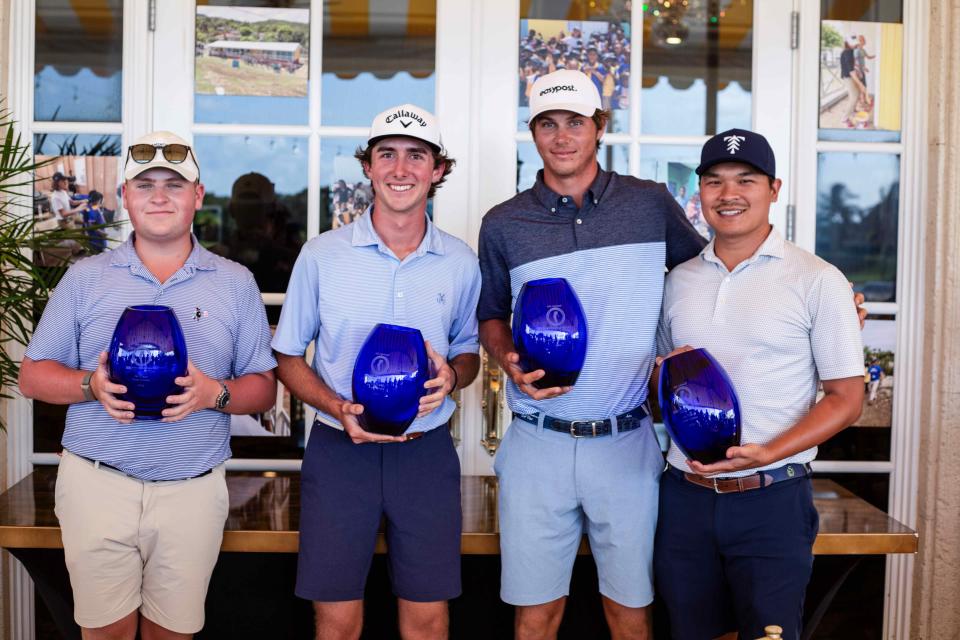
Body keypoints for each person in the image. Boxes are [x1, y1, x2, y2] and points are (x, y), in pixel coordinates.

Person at [19, 130, 278, 640]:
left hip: (191, 490)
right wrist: (89, 386)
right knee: (105, 635)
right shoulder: (84, 277)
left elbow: (263, 387)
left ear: (198, 196)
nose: (159, 197)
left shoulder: (234, 281)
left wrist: (214, 394)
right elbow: (32, 376)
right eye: (144, 185)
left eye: (174, 184)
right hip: (98, 483)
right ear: (124, 197)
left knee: (172, 635)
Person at [478, 69, 707, 640]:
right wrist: (505, 356)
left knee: (629, 614)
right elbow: (489, 316)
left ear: (599, 127)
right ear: (532, 132)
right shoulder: (503, 222)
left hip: (626, 442)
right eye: (547, 124)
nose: (561, 137)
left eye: (575, 122)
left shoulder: (650, 204)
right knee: (536, 616)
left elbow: (709, 276)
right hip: (537, 440)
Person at [272, 103, 481, 640]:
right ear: (368, 166)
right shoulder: (321, 256)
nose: (401, 168)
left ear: (438, 169)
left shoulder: (460, 262)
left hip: (426, 454)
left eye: (417, 155)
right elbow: (288, 358)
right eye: (387, 154)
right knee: (337, 620)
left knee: (428, 619)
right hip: (341, 452)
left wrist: (452, 378)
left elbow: (469, 354)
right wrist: (335, 406)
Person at [653, 128, 865, 640]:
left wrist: (767, 452)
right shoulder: (677, 280)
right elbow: (659, 397)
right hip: (684, 497)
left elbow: (847, 399)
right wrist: (663, 378)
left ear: (774, 188)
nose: (729, 194)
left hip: (771, 499)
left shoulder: (818, 280)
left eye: (746, 180)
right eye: (714, 181)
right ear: (698, 192)